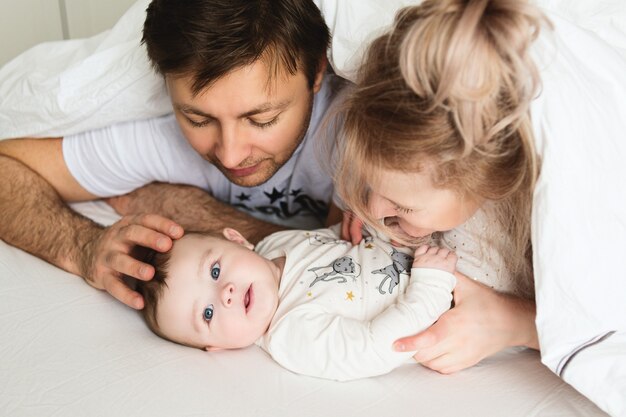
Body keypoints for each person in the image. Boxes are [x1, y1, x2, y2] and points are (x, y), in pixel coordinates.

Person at [331, 0, 626, 413]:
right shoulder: (405, 112)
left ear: (488, 183)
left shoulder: (584, 184)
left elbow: (608, 325)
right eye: (368, 185)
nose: (375, 212)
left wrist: (513, 323)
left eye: (402, 205)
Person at [0, 0, 346, 310]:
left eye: (262, 119)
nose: (229, 155)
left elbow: (353, 262)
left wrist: (185, 207)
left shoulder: (356, 131)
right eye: (198, 119)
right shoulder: (159, 134)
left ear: (316, 71)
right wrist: (82, 244)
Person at [136, 225, 457, 381]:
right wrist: (432, 286)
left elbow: (340, 240)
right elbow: (375, 348)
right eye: (207, 314)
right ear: (217, 346)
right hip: (448, 302)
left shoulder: (275, 243)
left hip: (424, 240)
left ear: (237, 240)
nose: (226, 294)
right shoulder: (291, 334)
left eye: (215, 271)